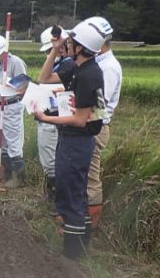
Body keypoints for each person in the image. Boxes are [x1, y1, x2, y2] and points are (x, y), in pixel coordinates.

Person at [34, 21, 106, 260]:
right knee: (75, 194)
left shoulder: (89, 75)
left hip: (77, 142)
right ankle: (81, 247)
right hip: (71, 141)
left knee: (70, 196)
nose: (68, 44)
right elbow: (43, 78)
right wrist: (55, 49)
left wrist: (45, 117)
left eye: (71, 42)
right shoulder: (74, 66)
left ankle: (72, 256)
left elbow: (79, 120)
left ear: (82, 47)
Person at [84, 16, 122, 234]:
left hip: (95, 127)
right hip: (89, 124)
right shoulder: (99, 63)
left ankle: (92, 225)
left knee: (90, 176)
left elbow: (98, 103)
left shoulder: (108, 68)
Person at [0, 35, 28, 189]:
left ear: (5, 52)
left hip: (11, 106)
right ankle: (6, 171)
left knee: (13, 141)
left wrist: (5, 86)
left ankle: (18, 178)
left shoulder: (15, 62)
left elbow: (23, 86)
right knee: (0, 141)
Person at [36, 27, 72, 201]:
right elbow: (43, 79)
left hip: (55, 119)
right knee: (48, 157)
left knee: (52, 160)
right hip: (47, 116)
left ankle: (55, 197)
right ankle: (51, 194)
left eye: (52, 50)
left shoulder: (68, 65)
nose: (50, 53)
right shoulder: (59, 64)